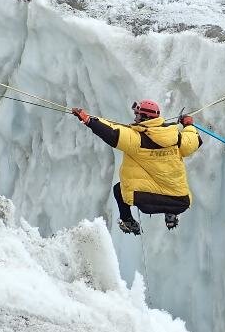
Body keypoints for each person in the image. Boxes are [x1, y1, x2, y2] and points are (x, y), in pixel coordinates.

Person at [72, 99, 202, 235]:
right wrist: (188, 125)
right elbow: (194, 140)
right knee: (168, 185)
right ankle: (171, 214)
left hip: (146, 202)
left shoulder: (136, 139)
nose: (135, 117)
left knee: (119, 189)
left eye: (138, 115)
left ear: (144, 117)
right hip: (181, 202)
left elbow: (111, 132)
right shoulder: (177, 137)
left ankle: (127, 221)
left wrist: (88, 120)